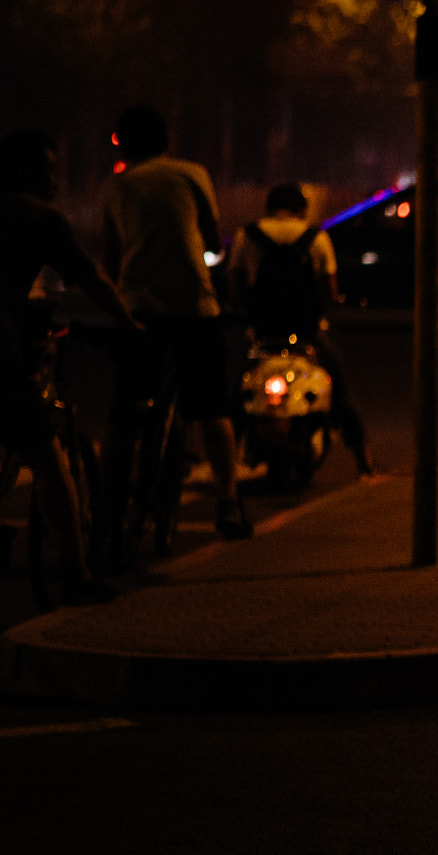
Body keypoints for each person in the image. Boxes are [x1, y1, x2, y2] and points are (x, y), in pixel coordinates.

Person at [98, 105, 248, 558]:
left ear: (122, 144)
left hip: (138, 312)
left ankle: (106, 507)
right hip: (192, 308)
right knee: (212, 409)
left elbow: (110, 256)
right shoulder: (191, 174)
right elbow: (209, 234)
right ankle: (228, 502)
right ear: (166, 139)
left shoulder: (116, 187)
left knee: (125, 415)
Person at [0, 127, 139, 603]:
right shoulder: (40, 217)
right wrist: (127, 323)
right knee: (46, 453)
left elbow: (46, 284)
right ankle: (76, 574)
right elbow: (90, 277)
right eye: (48, 169)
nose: (55, 180)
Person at [226, 182, 374, 476]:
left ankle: (227, 460)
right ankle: (362, 457)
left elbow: (236, 290)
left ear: (269, 208)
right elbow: (329, 293)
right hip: (307, 333)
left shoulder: (246, 235)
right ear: (300, 209)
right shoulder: (316, 237)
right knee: (341, 389)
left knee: (234, 393)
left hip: (262, 333)